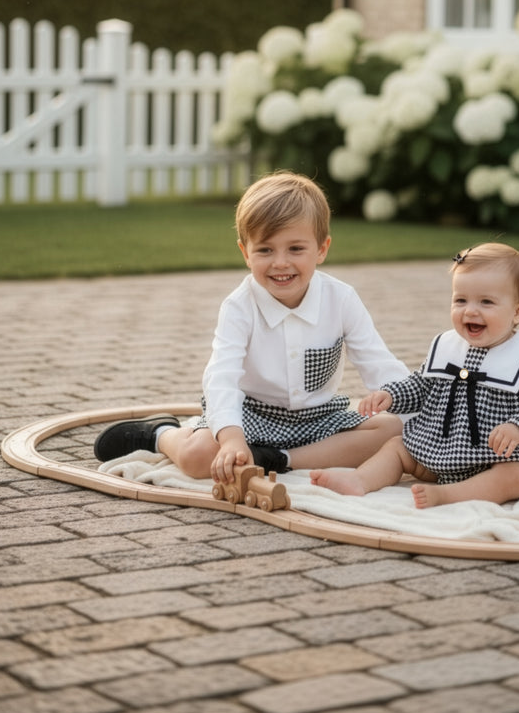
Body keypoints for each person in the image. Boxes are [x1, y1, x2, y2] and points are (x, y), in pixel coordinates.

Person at [94, 171, 409, 485]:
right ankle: (161, 433)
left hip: (318, 417)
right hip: (252, 415)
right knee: (198, 457)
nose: (280, 263)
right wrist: (232, 440)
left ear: (322, 249)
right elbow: (221, 377)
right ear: (246, 252)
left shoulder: (341, 299)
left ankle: (279, 459)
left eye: (295, 249)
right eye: (265, 250)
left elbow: (379, 365)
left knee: (393, 429)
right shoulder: (239, 306)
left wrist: (417, 412)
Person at [311, 242, 519, 509]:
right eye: (461, 300)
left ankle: (450, 495)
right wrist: (391, 395)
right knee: (397, 447)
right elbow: (421, 386)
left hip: (502, 456)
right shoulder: (447, 346)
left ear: (518, 311)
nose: (470, 310)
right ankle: (360, 480)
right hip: (443, 449)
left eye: (486, 302)